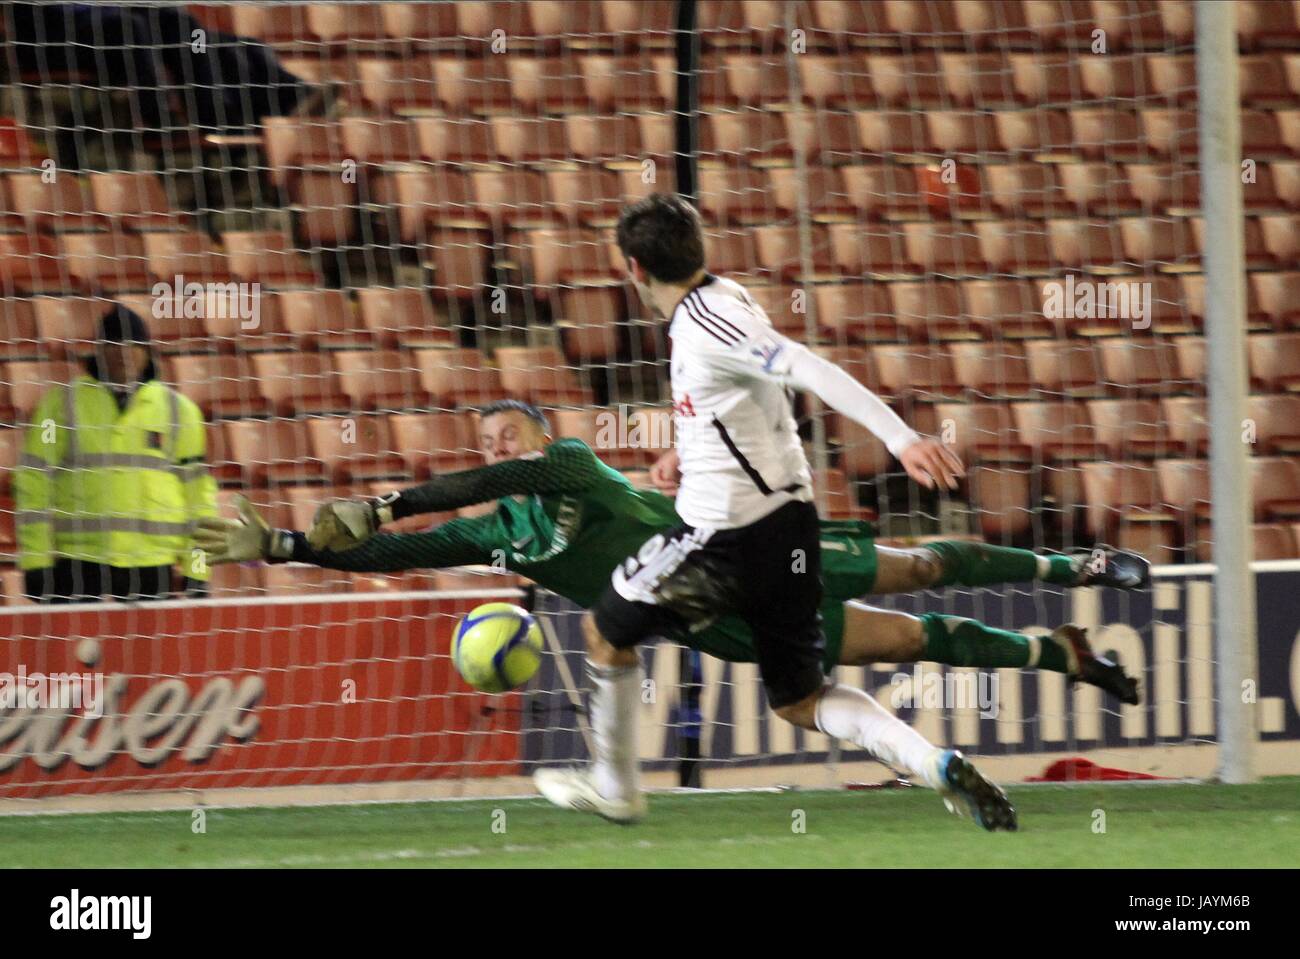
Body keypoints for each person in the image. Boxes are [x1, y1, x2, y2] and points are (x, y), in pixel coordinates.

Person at [197, 399, 1143, 828]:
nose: (500, 449)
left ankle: (1077, 562)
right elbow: (394, 550)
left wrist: (399, 495)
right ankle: (1044, 663)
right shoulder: (502, 541)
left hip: (738, 552)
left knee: (925, 568)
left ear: (536, 435)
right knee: (895, 641)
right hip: (717, 616)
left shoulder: (568, 464)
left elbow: (495, 478)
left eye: (509, 432)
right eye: (486, 439)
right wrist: (284, 544)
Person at [536, 194, 1008, 828]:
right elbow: (747, 400)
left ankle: (616, 787)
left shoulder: (709, 325)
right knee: (800, 698)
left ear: (634, 270)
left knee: (604, 629)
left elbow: (807, 367)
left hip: (725, 540)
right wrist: (690, 452)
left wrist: (901, 438)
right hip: (788, 530)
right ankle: (932, 763)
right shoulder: (724, 298)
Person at [15, 305, 217, 602]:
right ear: (98, 350)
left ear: (147, 350)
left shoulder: (181, 412)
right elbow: (33, 484)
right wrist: (36, 563)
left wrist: (198, 569)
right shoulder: (56, 409)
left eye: (133, 344)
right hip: (78, 565)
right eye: (114, 343)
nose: (124, 352)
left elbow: (199, 499)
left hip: (152, 566)